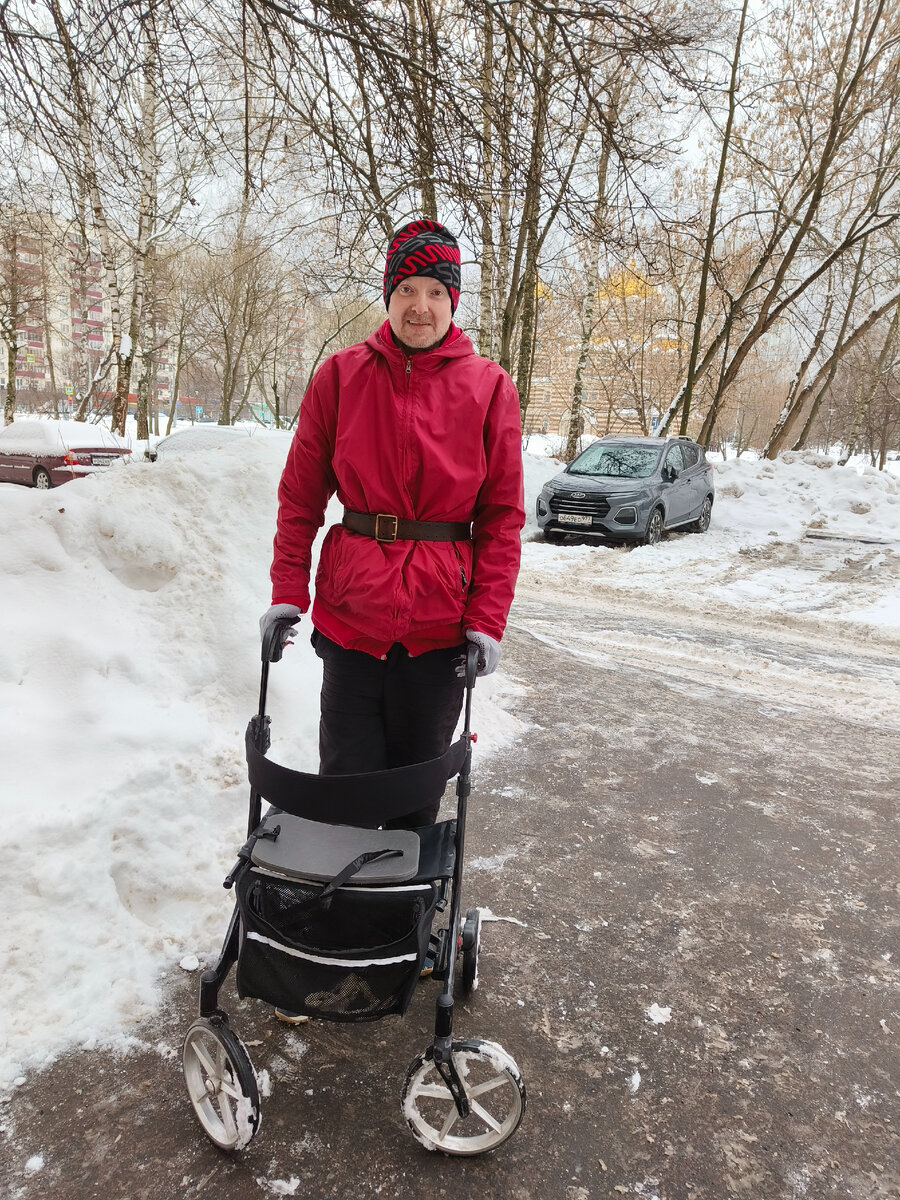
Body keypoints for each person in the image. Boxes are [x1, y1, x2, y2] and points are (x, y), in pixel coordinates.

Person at [260, 216, 524, 825]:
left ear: (452, 301)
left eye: (435, 291)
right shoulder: (340, 376)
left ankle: (409, 915)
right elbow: (301, 498)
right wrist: (284, 593)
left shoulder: (489, 388)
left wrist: (487, 620)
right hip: (352, 621)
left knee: (414, 791)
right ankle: (346, 913)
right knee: (346, 785)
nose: (420, 307)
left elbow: (502, 518)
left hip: (439, 627)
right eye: (407, 289)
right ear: (388, 295)